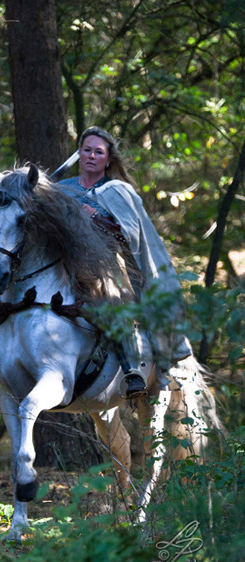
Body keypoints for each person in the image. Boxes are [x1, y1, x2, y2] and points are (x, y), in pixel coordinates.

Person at [60, 126, 192, 392]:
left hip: (106, 264)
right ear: (80, 153)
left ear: (108, 160)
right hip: (63, 261)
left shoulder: (117, 190)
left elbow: (129, 235)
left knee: (112, 299)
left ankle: (133, 369)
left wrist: (94, 216)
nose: (91, 156)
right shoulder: (61, 189)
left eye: (99, 152)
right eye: (87, 150)